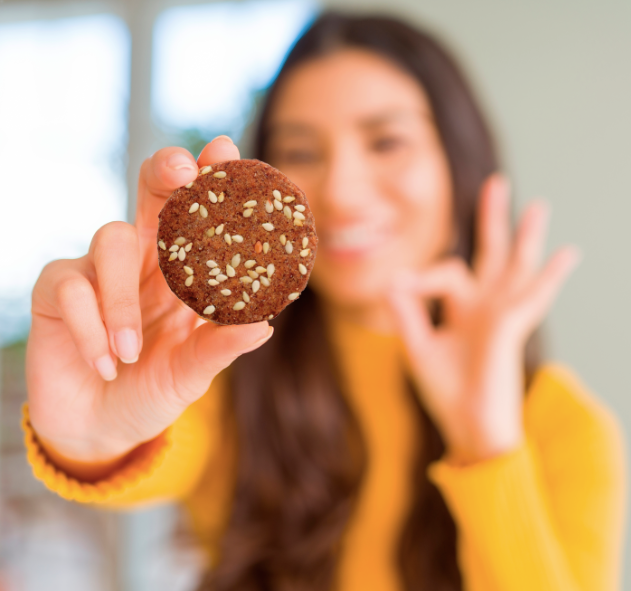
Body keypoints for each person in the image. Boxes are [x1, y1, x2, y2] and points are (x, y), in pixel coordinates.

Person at [24, 12, 625, 591]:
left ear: (459, 167)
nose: (339, 190)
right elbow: (139, 440)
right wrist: (91, 434)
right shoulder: (218, 378)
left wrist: (488, 444)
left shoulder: (566, 430)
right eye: (303, 153)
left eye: (387, 141)